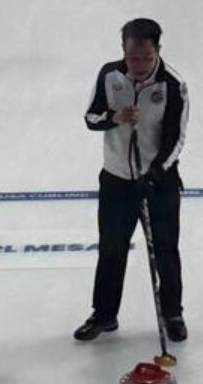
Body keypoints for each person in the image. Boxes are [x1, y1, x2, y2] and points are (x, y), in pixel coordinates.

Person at [75, 17, 188, 344]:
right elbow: (90, 118)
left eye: (145, 58)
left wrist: (155, 174)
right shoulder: (109, 76)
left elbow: (177, 138)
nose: (138, 65)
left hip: (159, 184)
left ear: (158, 51)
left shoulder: (172, 85)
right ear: (124, 51)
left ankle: (172, 313)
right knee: (111, 250)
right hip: (116, 182)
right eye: (132, 57)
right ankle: (104, 314)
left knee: (165, 250)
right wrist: (115, 117)